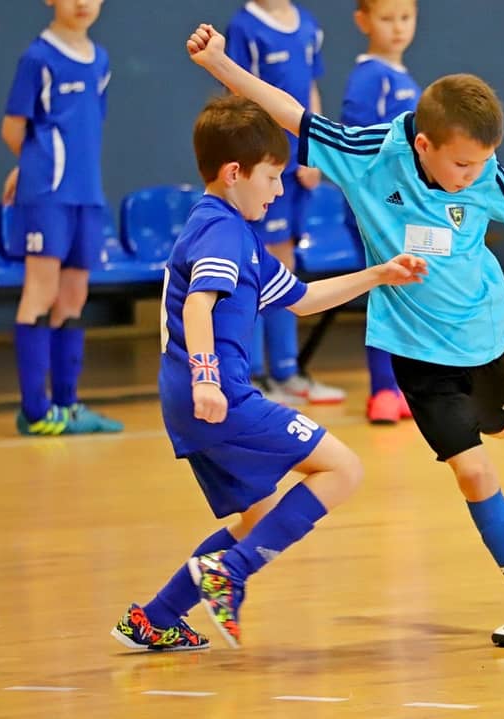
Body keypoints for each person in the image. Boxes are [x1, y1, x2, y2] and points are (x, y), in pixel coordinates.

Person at [186, 23, 504, 646]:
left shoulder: (482, 172)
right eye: (462, 164)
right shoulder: (367, 156)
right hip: (417, 352)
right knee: (475, 474)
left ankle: (496, 414)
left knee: (500, 427)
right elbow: (291, 113)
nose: (473, 175)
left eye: (482, 163)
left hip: (486, 335)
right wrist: (220, 64)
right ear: (425, 143)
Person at [110, 95, 425, 650]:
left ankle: (155, 618)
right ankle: (229, 575)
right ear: (235, 173)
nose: (279, 190)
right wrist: (207, 378)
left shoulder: (234, 233)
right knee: (342, 469)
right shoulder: (221, 231)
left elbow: (302, 300)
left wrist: (378, 274)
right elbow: (198, 305)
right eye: (272, 177)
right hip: (219, 396)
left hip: (195, 400)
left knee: (259, 520)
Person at [1, 0, 123, 436]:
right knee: (40, 291)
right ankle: (35, 412)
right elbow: (13, 129)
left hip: (87, 194)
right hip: (47, 195)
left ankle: (67, 405)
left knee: (73, 297)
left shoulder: (101, 59)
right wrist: (31, 168)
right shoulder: (38, 58)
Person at [225, 0, 346, 406]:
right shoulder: (245, 27)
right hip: (267, 164)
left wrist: (315, 150)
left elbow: (310, 90)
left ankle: (286, 370)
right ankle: (253, 373)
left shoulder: (307, 25)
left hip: (298, 168)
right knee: (257, 265)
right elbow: (237, 95)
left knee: (285, 263)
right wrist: (259, 162)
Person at [343, 0, 421, 424]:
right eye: (387, 19)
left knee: (405, 295)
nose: (397, 28)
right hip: (377, 209)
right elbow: (354, 145)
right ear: (363, 21)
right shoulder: (369, 77)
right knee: (386, 293)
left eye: (405, 18)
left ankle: (401, 386)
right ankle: (383, 390)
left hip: (402, 209)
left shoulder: (403, 77)